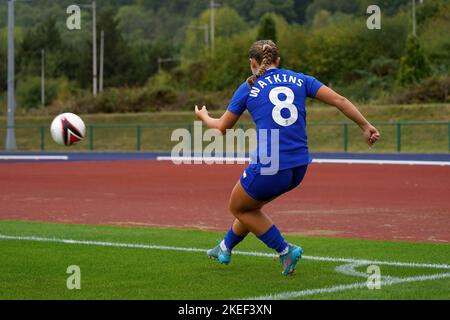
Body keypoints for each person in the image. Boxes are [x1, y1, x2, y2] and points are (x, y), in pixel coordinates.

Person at [194, 40, 380, 276]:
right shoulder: (300, 79)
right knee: (251, 207)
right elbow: (339, 100)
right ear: (278, 61)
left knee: (238, 207)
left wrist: (203, 116)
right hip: (299, 167)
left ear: (252, 62)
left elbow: (221, 128)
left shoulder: (249, 86)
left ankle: (285, 250)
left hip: (271, 165)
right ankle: (225, 247)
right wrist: (365, 125)